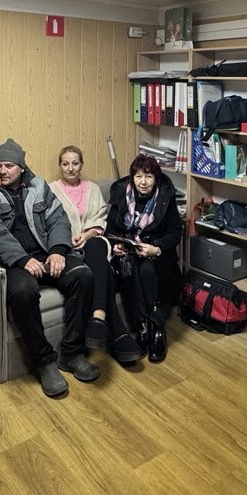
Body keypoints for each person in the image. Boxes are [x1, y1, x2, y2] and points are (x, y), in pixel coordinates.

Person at [0, 138, 98, 397]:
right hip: (13, 261)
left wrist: (57, 250)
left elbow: (58, 219)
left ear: (21, 167)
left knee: (83, 275)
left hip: (44, 253)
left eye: (8, 166)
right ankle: (45, 362)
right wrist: (22, 259)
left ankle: (72, 353)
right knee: (22, 291)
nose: (2, 171)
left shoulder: (39, 186)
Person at [48, 146, 142, 364]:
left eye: (75, 163)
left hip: (93, 242)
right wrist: (68, 238)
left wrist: (88, 234)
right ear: (60, 166)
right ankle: (114, 330)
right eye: (65, 164)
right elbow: (50, 222)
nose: (70, 168)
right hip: (67, 247)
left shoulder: (93, 188)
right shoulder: (50, 190)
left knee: (96, 245)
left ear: (82, 164)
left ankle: (99, 318)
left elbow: (100, 218)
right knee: (104, 270)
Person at [105, 154, 182, 363]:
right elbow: (110, 229)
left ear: (155, 178)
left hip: (155, 254)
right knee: (131, 267)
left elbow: (175, 231)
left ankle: (157, 329)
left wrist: (156, 249)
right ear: (132, 178)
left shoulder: (164, 196)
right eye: (138, 176)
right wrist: (115, 245)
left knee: (146, 268)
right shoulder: (121, 194)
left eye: (148, 176)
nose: (143, 182)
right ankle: (142, 328)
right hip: (128, 254)